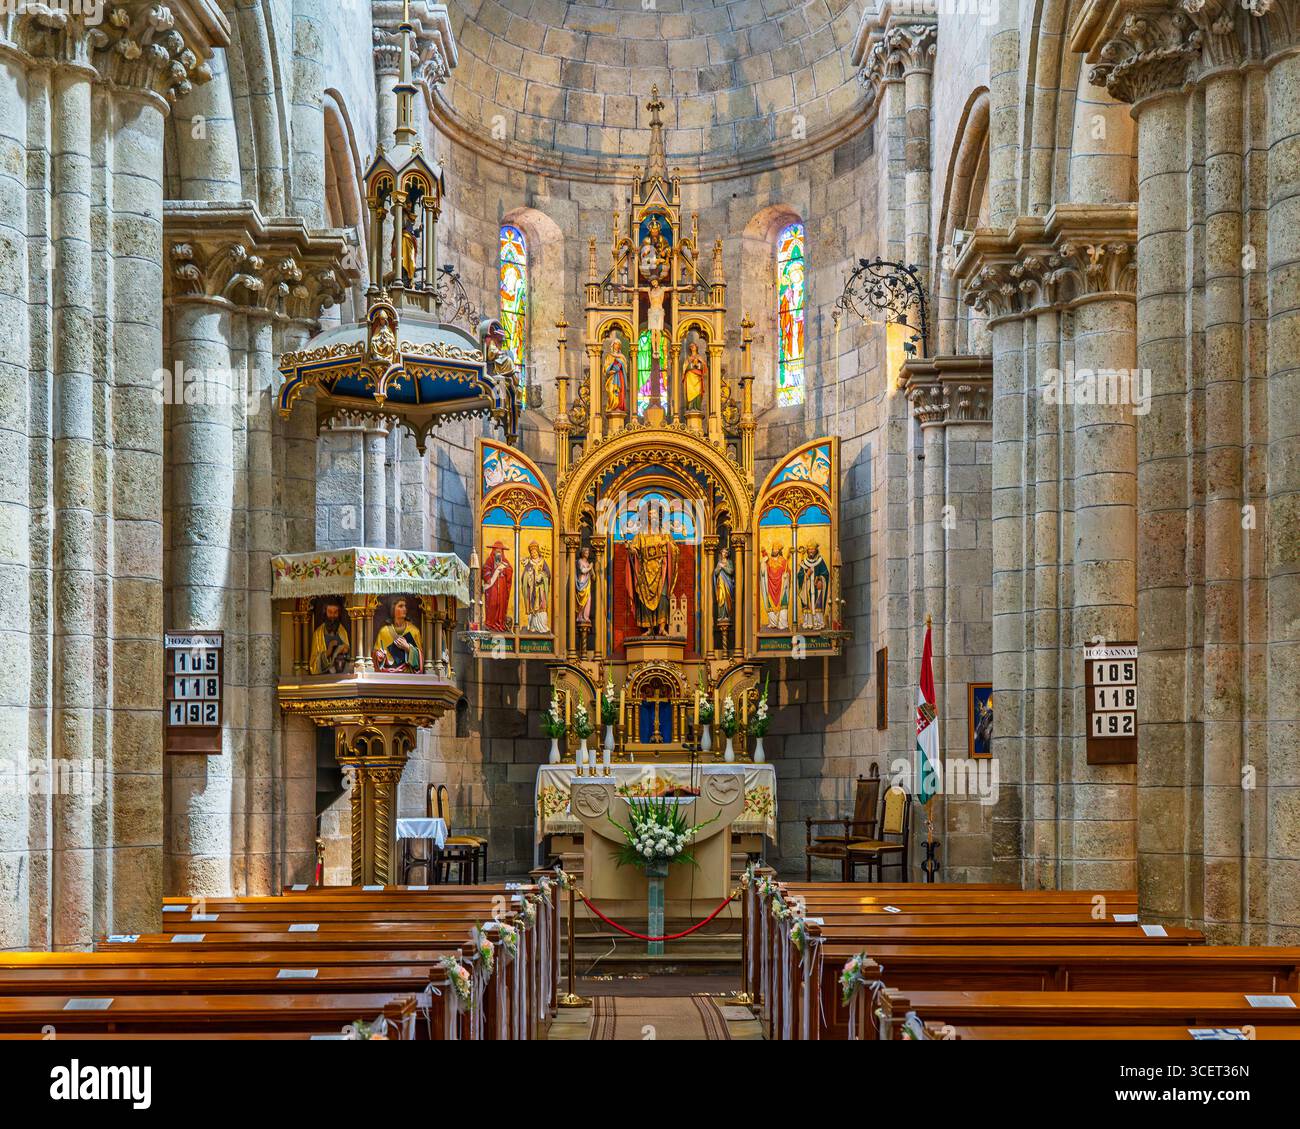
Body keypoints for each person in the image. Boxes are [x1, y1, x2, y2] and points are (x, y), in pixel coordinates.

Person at [372, 597, 423, 672]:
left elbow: (421, 657)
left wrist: (408, 648)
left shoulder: (414, 631)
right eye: (401, 606)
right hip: (388, 673)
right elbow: (375, 655)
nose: (405, 609)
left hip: (409, 675)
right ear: (393, 609)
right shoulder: (384, 631)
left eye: (405, 606)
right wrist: (379, 656)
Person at [309, 599, 350, 674]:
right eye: (330, 612)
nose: (333, 616)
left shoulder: (342, 631)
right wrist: (328, 652)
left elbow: (349, 656)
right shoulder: (318, 634)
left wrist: (345, 651)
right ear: (325, 613)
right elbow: (313, 664)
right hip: (324, 677)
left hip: (342, 673)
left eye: (335, 612)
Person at [483, 540, 513, 633]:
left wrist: (505, 570)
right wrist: (493, 573)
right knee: (492, 604)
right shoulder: (490, 560)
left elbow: (510, 571)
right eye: (497, 551)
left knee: (501, 604)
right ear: (494, 551)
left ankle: (500, 623)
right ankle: (490, 623)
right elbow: (485, 571)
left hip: (502, 587)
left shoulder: (505, 561)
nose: (498, 553)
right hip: (493, 588)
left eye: (500, 551)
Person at [521, 541, 551, 633]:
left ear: (538, 551)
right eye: (532, 552)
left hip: (540, 588)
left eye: (535, 552)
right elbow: (523, 577)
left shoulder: (543, 561)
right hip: (532, 590)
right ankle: (533, 626)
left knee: (541, 606)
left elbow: (548, 574)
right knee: (532, 608)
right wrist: (529, 576)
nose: (533, 554)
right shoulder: (529, 563)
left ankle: (542, 626)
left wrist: (542, 576)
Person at [761, 543, 791, 630]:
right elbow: (763, 572)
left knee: (783, 604)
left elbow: (788, 571)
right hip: (770, 586)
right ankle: (773, 623)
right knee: (770, 604)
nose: (775, 550)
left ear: (779, 551)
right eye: (774, 549)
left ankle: (782, 624)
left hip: (782, 587)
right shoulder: (769, 561)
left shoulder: (783, 561)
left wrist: (787, 575)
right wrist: (763, 562)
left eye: (777, 549)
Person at [713, 546, 735, 623]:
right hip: (720, 583)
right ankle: (721, 616)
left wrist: (724, 567)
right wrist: (719, 567)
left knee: (727, 598)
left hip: (728, 583)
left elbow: (731, 571)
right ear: (721, 553)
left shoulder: (729, 562)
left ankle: (727, 615)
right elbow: (715, 573)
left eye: (725, 552)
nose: (724, 554)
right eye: (723, 552)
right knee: (721, 598)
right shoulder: (719, 562)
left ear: (727, 554)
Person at [574, 546, 594, 625]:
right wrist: (590, 567)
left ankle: (585, 617)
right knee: (581, 600)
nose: (587, 554)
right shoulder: (579, 561)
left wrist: (592, 571)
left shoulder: (588, 563)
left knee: (588, 599)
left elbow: (593, 575)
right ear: (582, 553)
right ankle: (579, 616)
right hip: (581, 583)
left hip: (587, 583)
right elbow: (583, 570)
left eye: (588, 553)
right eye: (586, 553)